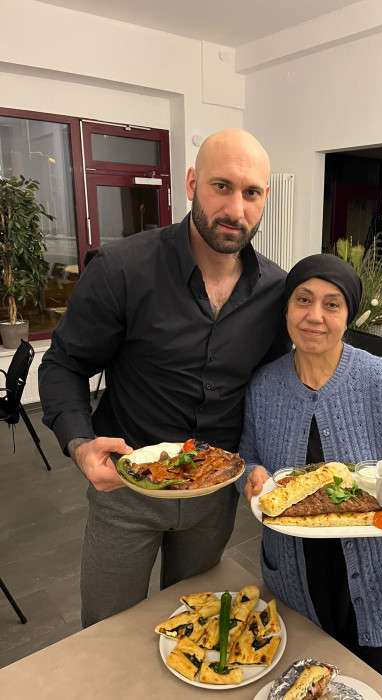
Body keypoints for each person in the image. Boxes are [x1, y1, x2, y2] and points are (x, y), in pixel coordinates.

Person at [38, 128, 287, 627]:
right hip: (127, 489)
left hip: (213, 496)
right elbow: (63, 363)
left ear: (265, 199)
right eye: (221, 186)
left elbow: (274, 386)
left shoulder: (275, 291)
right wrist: (81, 445)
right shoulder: (123, 269)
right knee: (108, 630)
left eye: (251, 192)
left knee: (193, 623)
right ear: (192, 183)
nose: (235, 209)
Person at [240, 254, 382, 690]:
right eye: (303, 300)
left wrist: (373, 490)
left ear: (348, 316)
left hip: (380, 579)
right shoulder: (264, 386)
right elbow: (248, 459)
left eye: (332, 304)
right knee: (300, 687)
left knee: (374, 689)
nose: (315, 316)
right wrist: (251, 477)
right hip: (294, 577)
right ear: (286, 309)